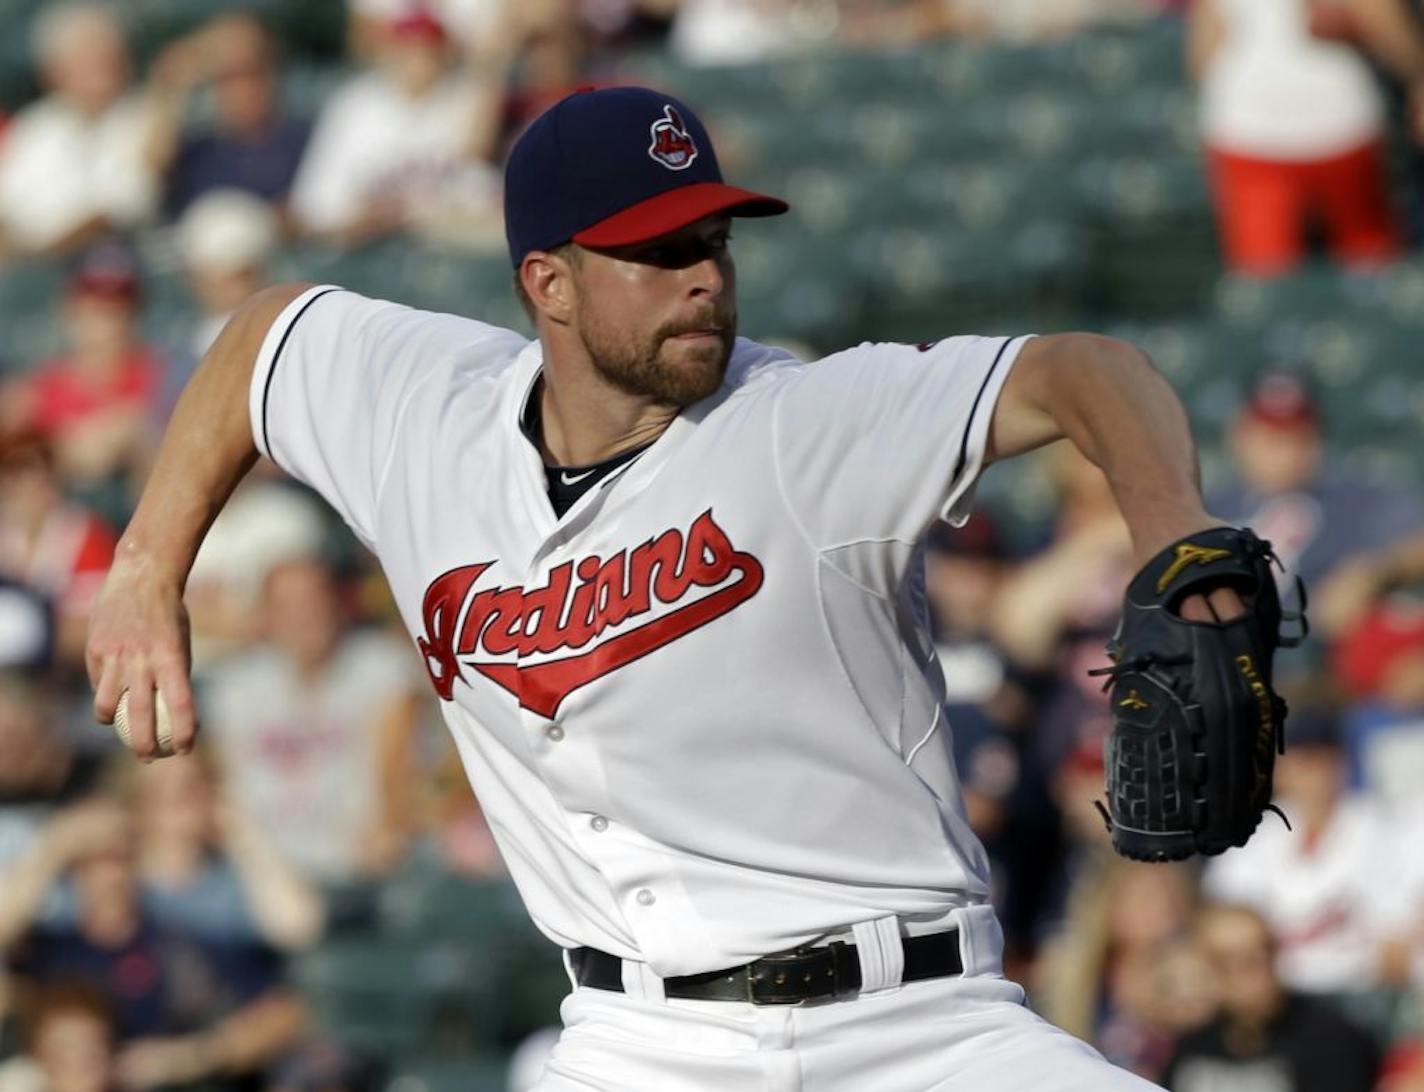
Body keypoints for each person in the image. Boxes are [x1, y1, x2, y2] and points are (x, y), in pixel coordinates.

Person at [88, 85, 1250, 1090]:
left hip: (916, 1026)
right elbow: (264, 339)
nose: (700, 276)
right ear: (547, 282)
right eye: (655, 251)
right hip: (634, 1039)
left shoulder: (804, 424)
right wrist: (147, 565)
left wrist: (1167, 520)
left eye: (712, 242)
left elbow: (1081, 369)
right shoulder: (424, 416)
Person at [1162, 903, 1382, 1092]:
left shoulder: (1330, 1041)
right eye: (1228, 961)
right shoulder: (1188, 1045)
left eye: (1263, 951)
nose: (1255, 971)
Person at [0, 2, 158, 256]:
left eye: (104, 55)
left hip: (111, 266)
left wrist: (40, 256)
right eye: (83, 59)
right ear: (54, 71)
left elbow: (118, 210)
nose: (98, 69)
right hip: (27, 267)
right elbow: (6, 211)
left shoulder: (148, 116)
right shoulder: (35, 126)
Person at [145, 14, 312, 220]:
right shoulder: (199, 153)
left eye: (252, 71)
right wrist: (172, 86)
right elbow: (147, 181)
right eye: (227, 77)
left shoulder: (306, 141)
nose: (242, 88)